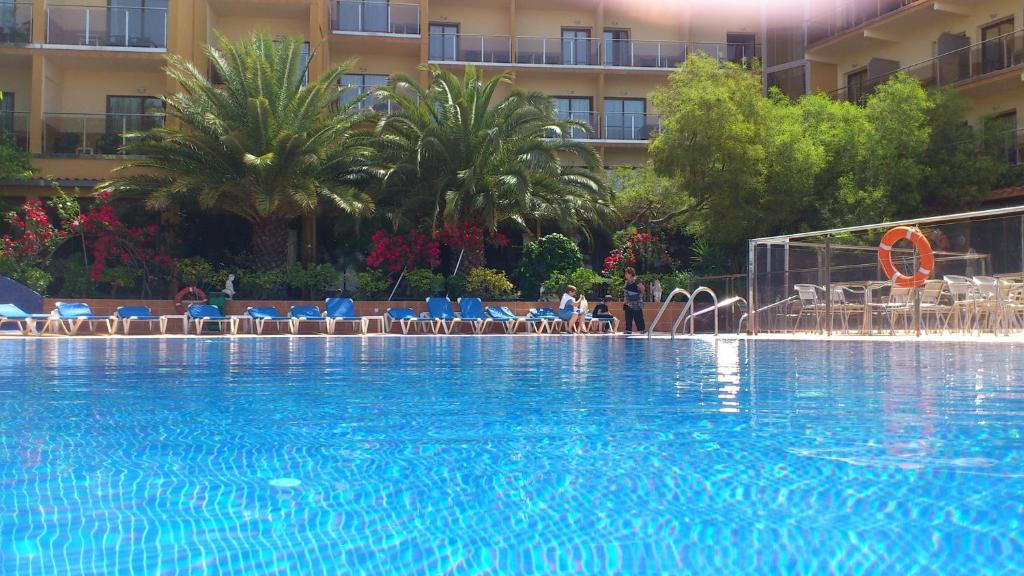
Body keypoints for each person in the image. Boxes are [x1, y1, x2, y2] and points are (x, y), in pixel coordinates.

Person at [622, 267, 645, 334]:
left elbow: (642, 288)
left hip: (636, 301)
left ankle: (641, 329)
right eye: (625, 274)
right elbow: (625, 291)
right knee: (628, 316)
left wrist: (639, 295)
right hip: (628, 301)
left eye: (627, 273)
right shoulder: (626, 282)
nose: (625, 275)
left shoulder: (636, 280)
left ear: (631, 274)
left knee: (638, 316)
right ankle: (628, 330)